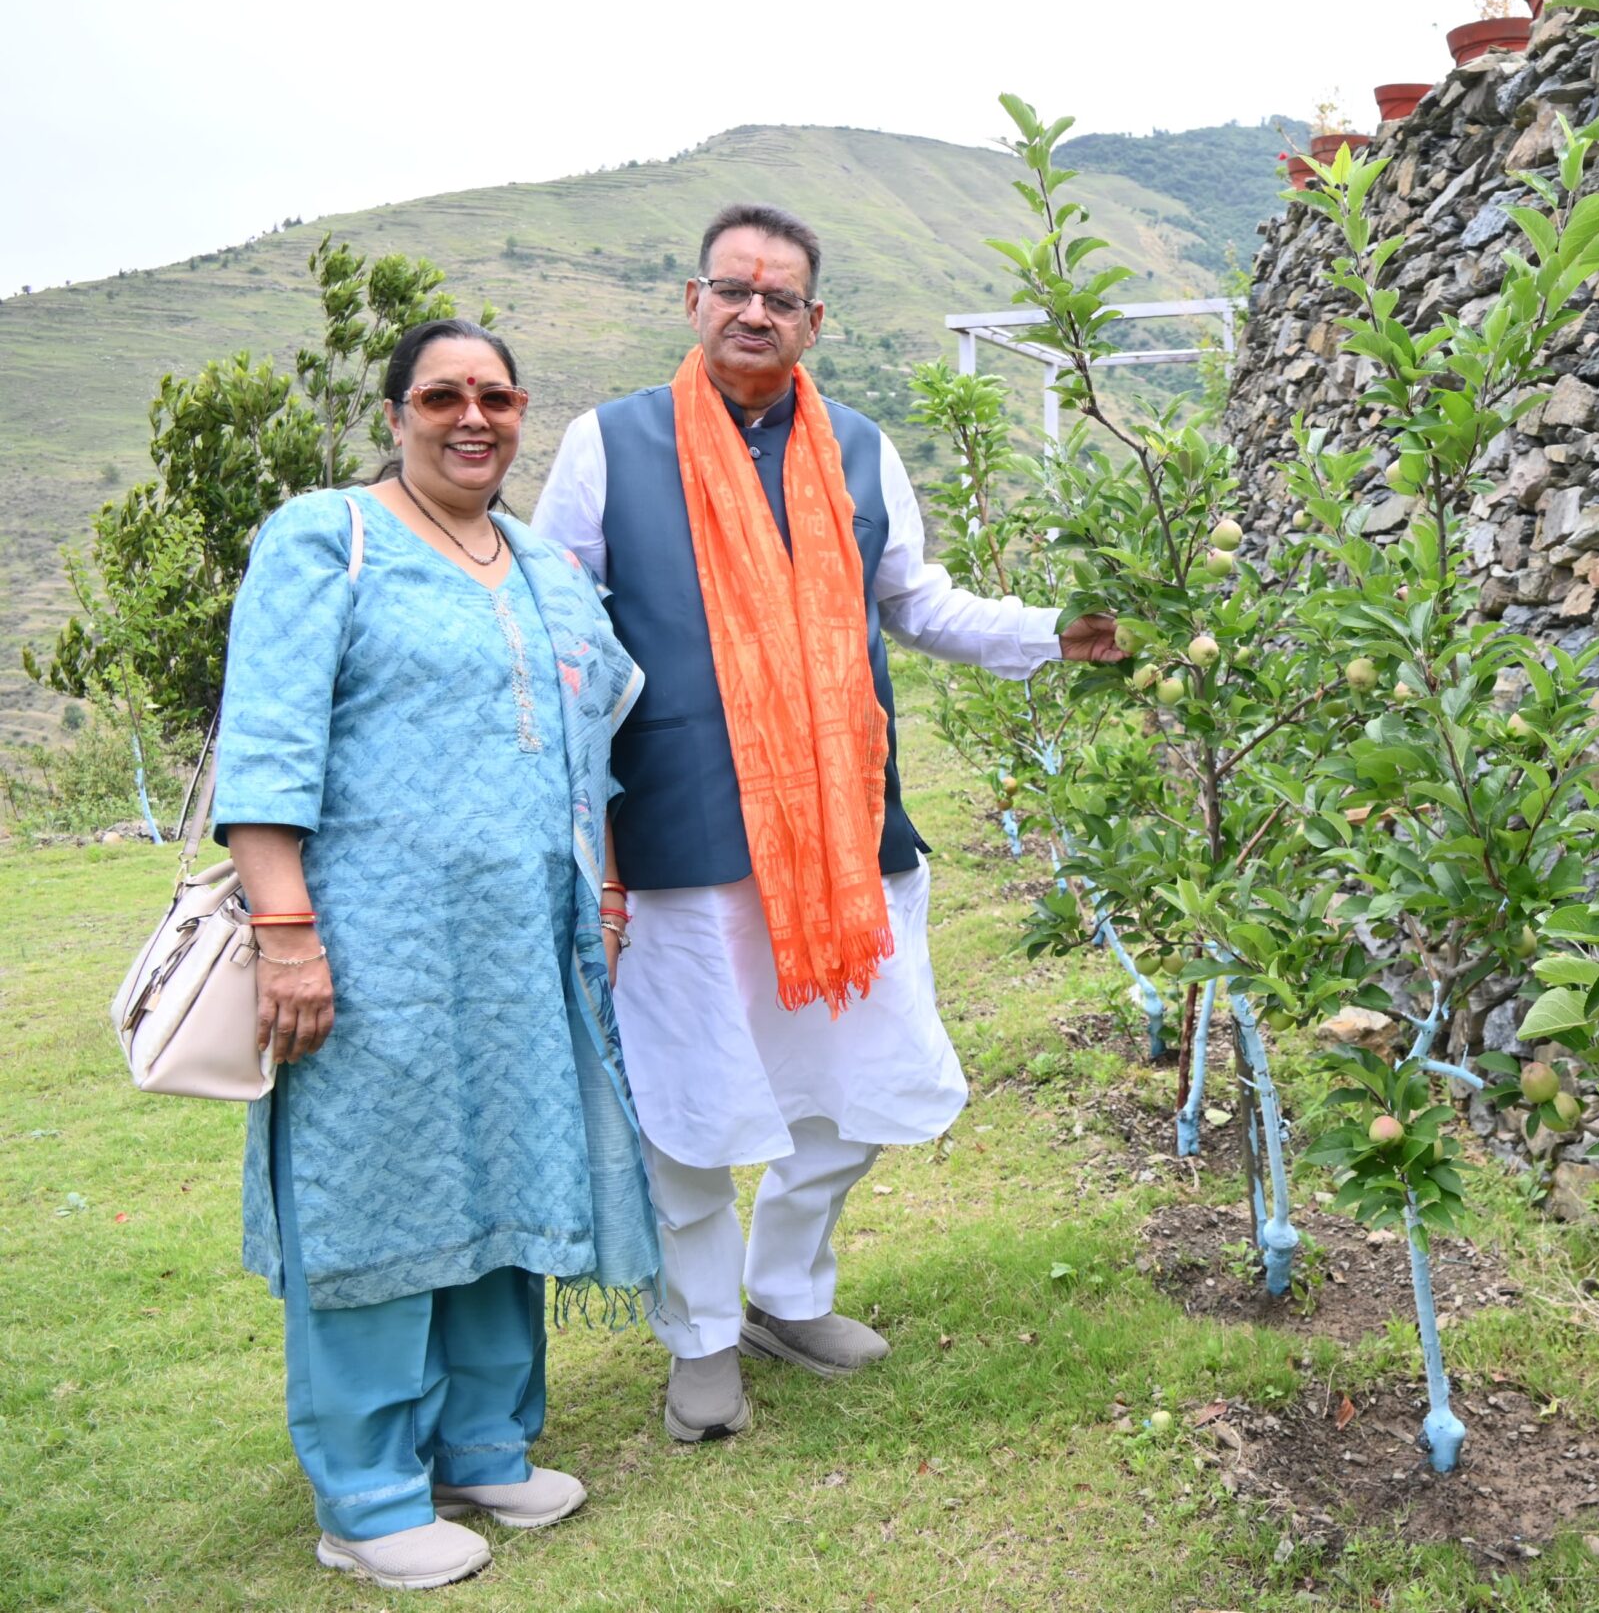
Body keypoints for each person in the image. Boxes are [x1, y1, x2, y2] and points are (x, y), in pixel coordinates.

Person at [532, 203, 1120, 1443]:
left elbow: (913, 599)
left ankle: (784, 1291)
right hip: (682, 835)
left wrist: (1053, 632)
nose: (756, 310)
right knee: (690, 1102)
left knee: (853, 1086)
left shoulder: (857, 447)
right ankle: (699, 1335)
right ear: (692, 299)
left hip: (846, 837)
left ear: (815, 322)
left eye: (781, 296)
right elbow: (554, 627)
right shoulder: (609, 444)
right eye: (734, 287)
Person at [217, 319, 659, 1591]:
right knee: (377, 1194)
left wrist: (610, 895)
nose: (474, 417)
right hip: (371, 944)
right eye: (443, 395)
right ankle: (366, 1492)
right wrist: (286, 930)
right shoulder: (325, 536)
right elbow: (268, 738)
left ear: (522, 412)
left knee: (507, 1178)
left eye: (498, 396)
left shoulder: (538, 561)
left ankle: (482, 1440)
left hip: (526, 948)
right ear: (397, 408)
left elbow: (593, 747)